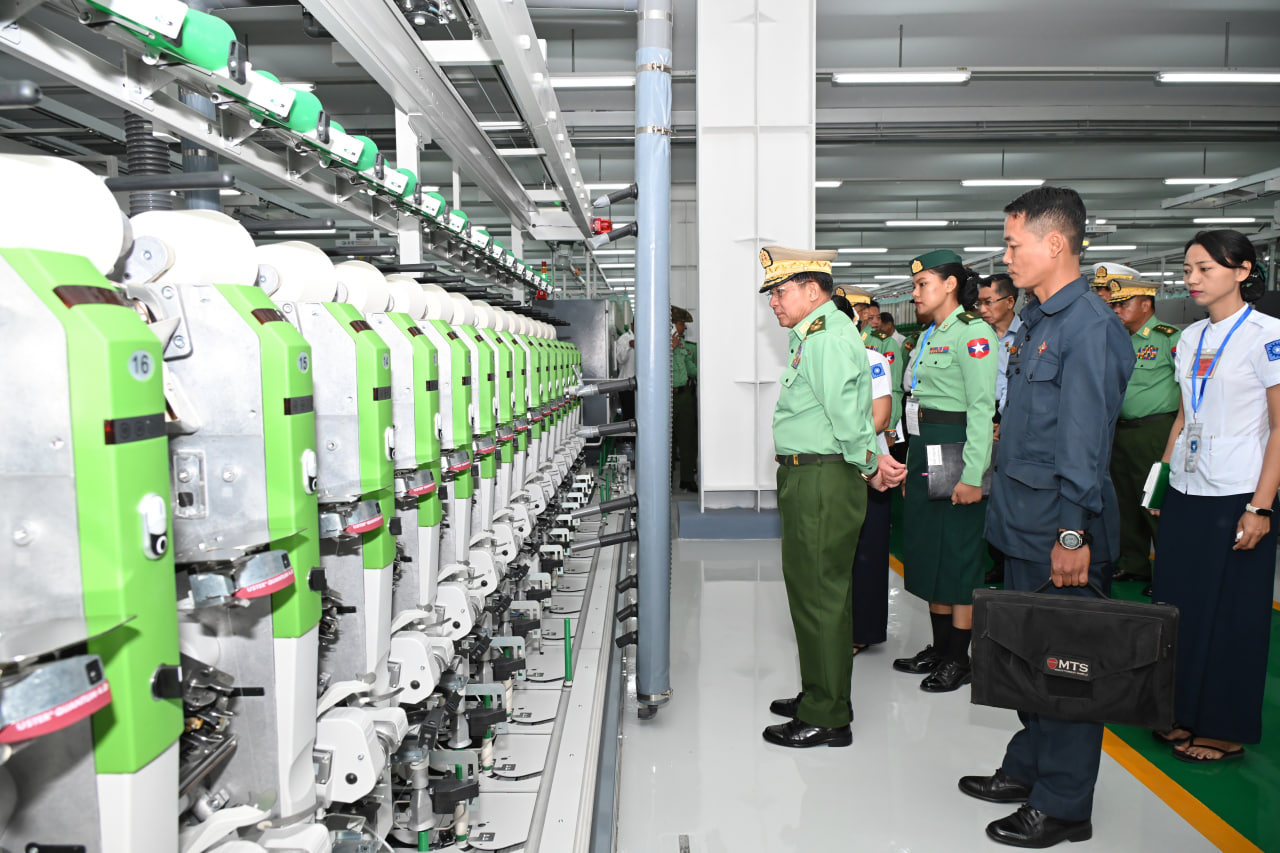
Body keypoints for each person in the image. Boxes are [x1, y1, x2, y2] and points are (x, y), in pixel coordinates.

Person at [962, 187, 1133, 849]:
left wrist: (1072, 533)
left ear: (1054, 243)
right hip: (1023, 523)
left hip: (1059, 532)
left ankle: (1063, 805)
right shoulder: (1039, 319)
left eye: (1014, 244)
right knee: (1030, 663)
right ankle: (1030, 767)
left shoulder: (1088, 327)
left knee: (1066, 671)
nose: (1005, 257)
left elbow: (1085, 444)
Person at [758, 245, 906, 748]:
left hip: (822, 478)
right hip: (815, 475)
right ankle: (820, 692)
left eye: (780, 291)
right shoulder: (818, 334)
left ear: (811, 290)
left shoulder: (825, 337)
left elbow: (847, 415)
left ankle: (827, 714)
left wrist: (870, 465)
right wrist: (870, 464)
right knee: (814, 593)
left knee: (820, 595)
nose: (773, 302)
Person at [1149, 230, 1280, 765]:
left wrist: (1261, 506)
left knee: (1232, 613)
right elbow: (1184, 415)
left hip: (1238, 492)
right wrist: (1161, 482)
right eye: (1187, 270)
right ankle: (1179, 709)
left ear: (1243, 271)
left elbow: (1279, 427)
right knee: (1179, 604)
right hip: (1187, 487)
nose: (1192, 279)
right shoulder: (1189, 338)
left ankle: (1224, 727)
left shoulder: (1267, 336)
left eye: (1205, 268)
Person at [893, 250, 998, 693]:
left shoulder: (973, 333)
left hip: (957, 448)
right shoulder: (929, 334)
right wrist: (909, 461)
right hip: (924, 448)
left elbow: (981, 409)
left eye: (923, 285)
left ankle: (959, 658)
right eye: (915, 286)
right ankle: (939, 649)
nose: (915, 293)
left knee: (958, 556)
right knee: (929, 553)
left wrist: (973, 476)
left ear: (951, 284)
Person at [1098, 263, 1180, 596]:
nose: (1116, 310)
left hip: (1155, 431)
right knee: (1125, 501)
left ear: (1146, 304)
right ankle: (1133, 563)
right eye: (1115, 304)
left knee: (1155, 502)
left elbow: (1187, 387)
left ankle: (1169, 573)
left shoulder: (1168, 338)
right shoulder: (1119, 340)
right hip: (1121, 430)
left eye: (1124, 304)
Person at [832, 291, 896, 656]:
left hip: (867, 466)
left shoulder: (872, 360)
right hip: (832, 467)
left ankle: (862, 629)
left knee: (867, 552)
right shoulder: (812, 358)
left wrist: (840, 442)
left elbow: (880, 418)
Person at [976, 272, 1021, 584]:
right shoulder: (978, 335)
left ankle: (1014, 560)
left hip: (1013, 420)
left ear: (1010, 302)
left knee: (1012, 494)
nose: (982, 309)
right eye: (979, 303)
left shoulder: (1028, 334)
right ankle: (996, 558)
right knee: (986, 494)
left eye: (989, 302)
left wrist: (1004, 422)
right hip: (983, 417)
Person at [671, 306, 699, 491]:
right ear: (672, 325)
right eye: (682, 323)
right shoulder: (657, 344)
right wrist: (669, 348)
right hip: (666, 398)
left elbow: (690, 368)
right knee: (667, 440)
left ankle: (687, 478)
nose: (684, 327)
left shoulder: (681, 344)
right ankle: (665, 479)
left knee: (688, 438)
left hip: (684, 396)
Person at [614, 322, 636, 419]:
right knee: (629, 416)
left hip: (641, 387)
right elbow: (620, 359)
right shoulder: (624, 339)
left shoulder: (646, 338)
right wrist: (628, 346)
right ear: (632, 325)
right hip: (627, 387)